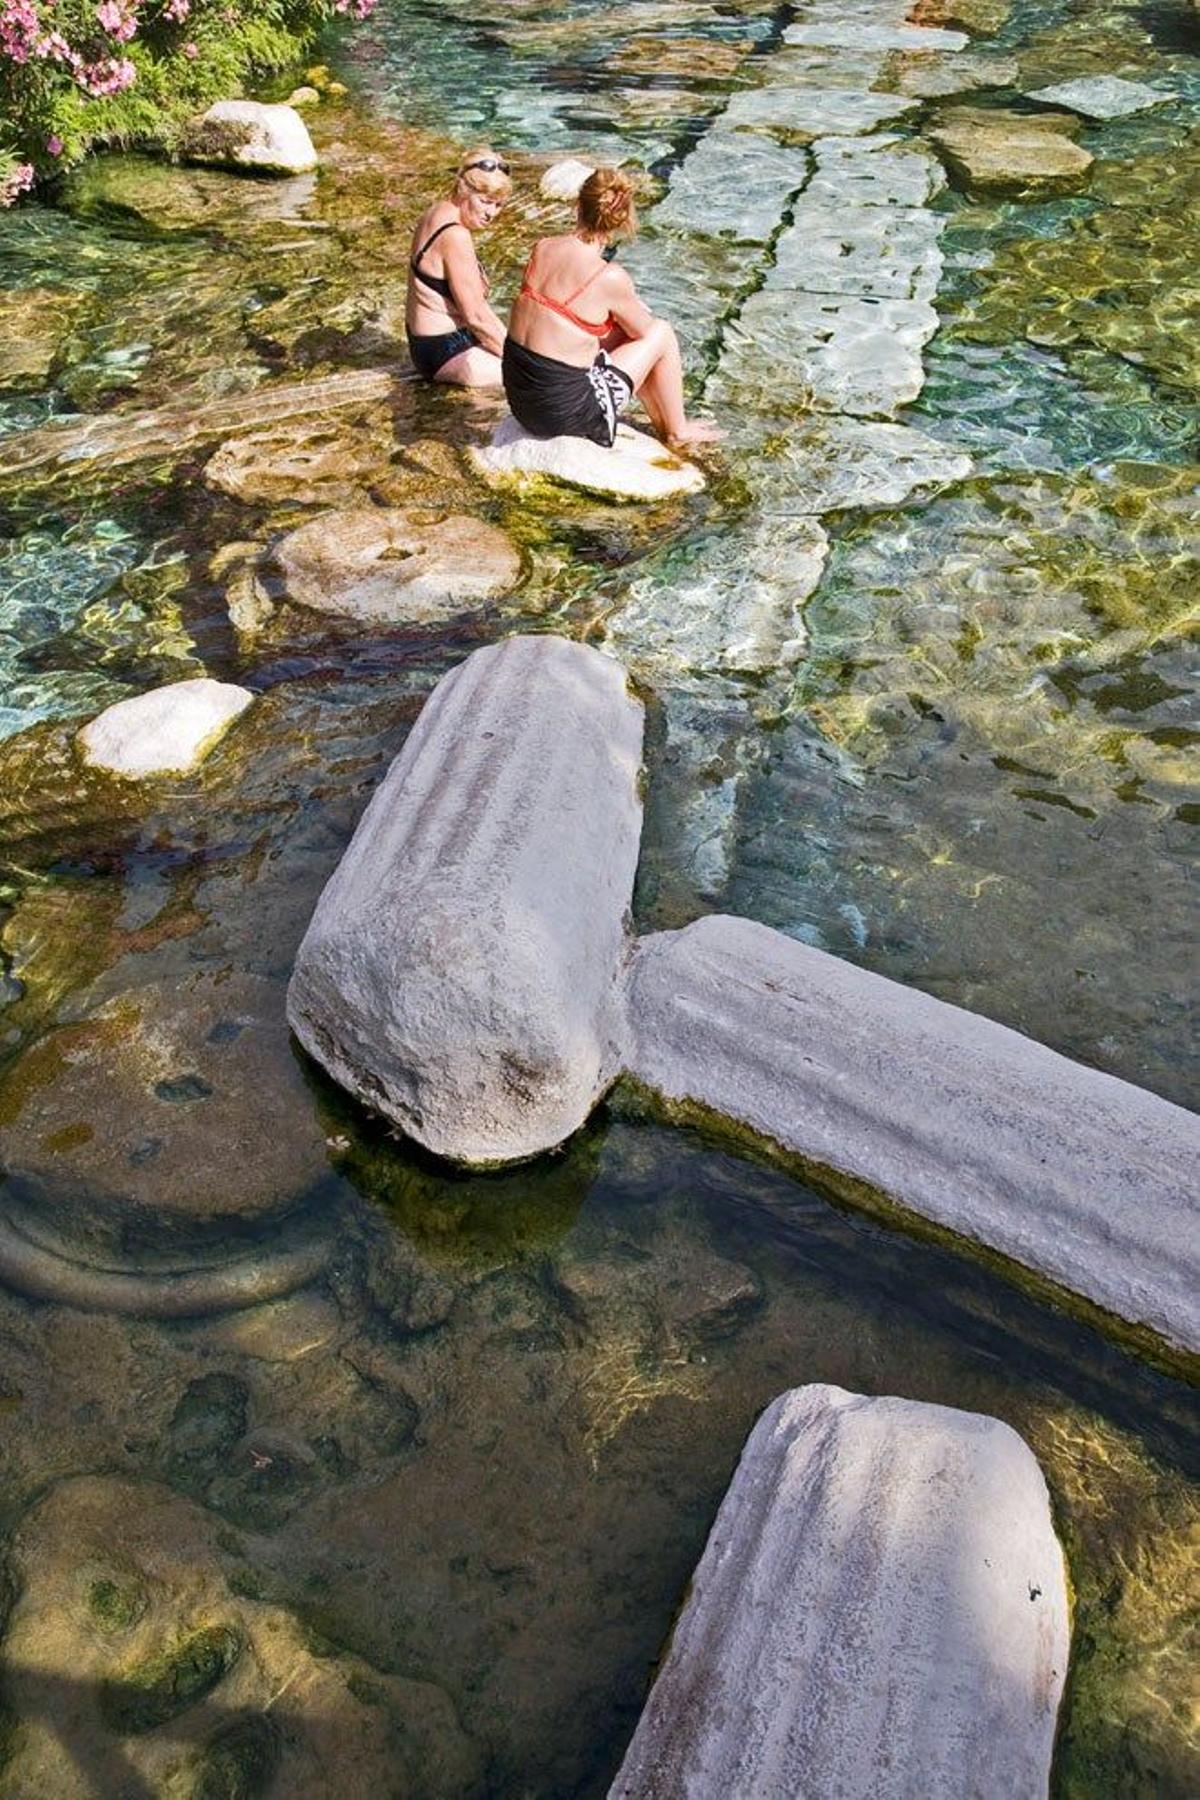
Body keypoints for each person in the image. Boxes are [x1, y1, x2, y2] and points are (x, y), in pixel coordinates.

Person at [503, 166, 722, 450]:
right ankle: (677, 429)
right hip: (564, 417)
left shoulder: (543, 247)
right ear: (621, 221)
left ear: (578, 206)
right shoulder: (608, 276)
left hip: (522, 403)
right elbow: (645, 332)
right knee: (662, 333)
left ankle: (664, 425)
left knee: (621, 335)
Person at [406, 148, 511, 386]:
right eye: (485, 202)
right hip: (447, 350)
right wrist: (521, 363)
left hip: (426, 342)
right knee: (541, 381)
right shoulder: (455, 236)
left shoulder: (437, 211)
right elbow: (476, 317)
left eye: (499, 205)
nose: (491, 213)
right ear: (464, 191)